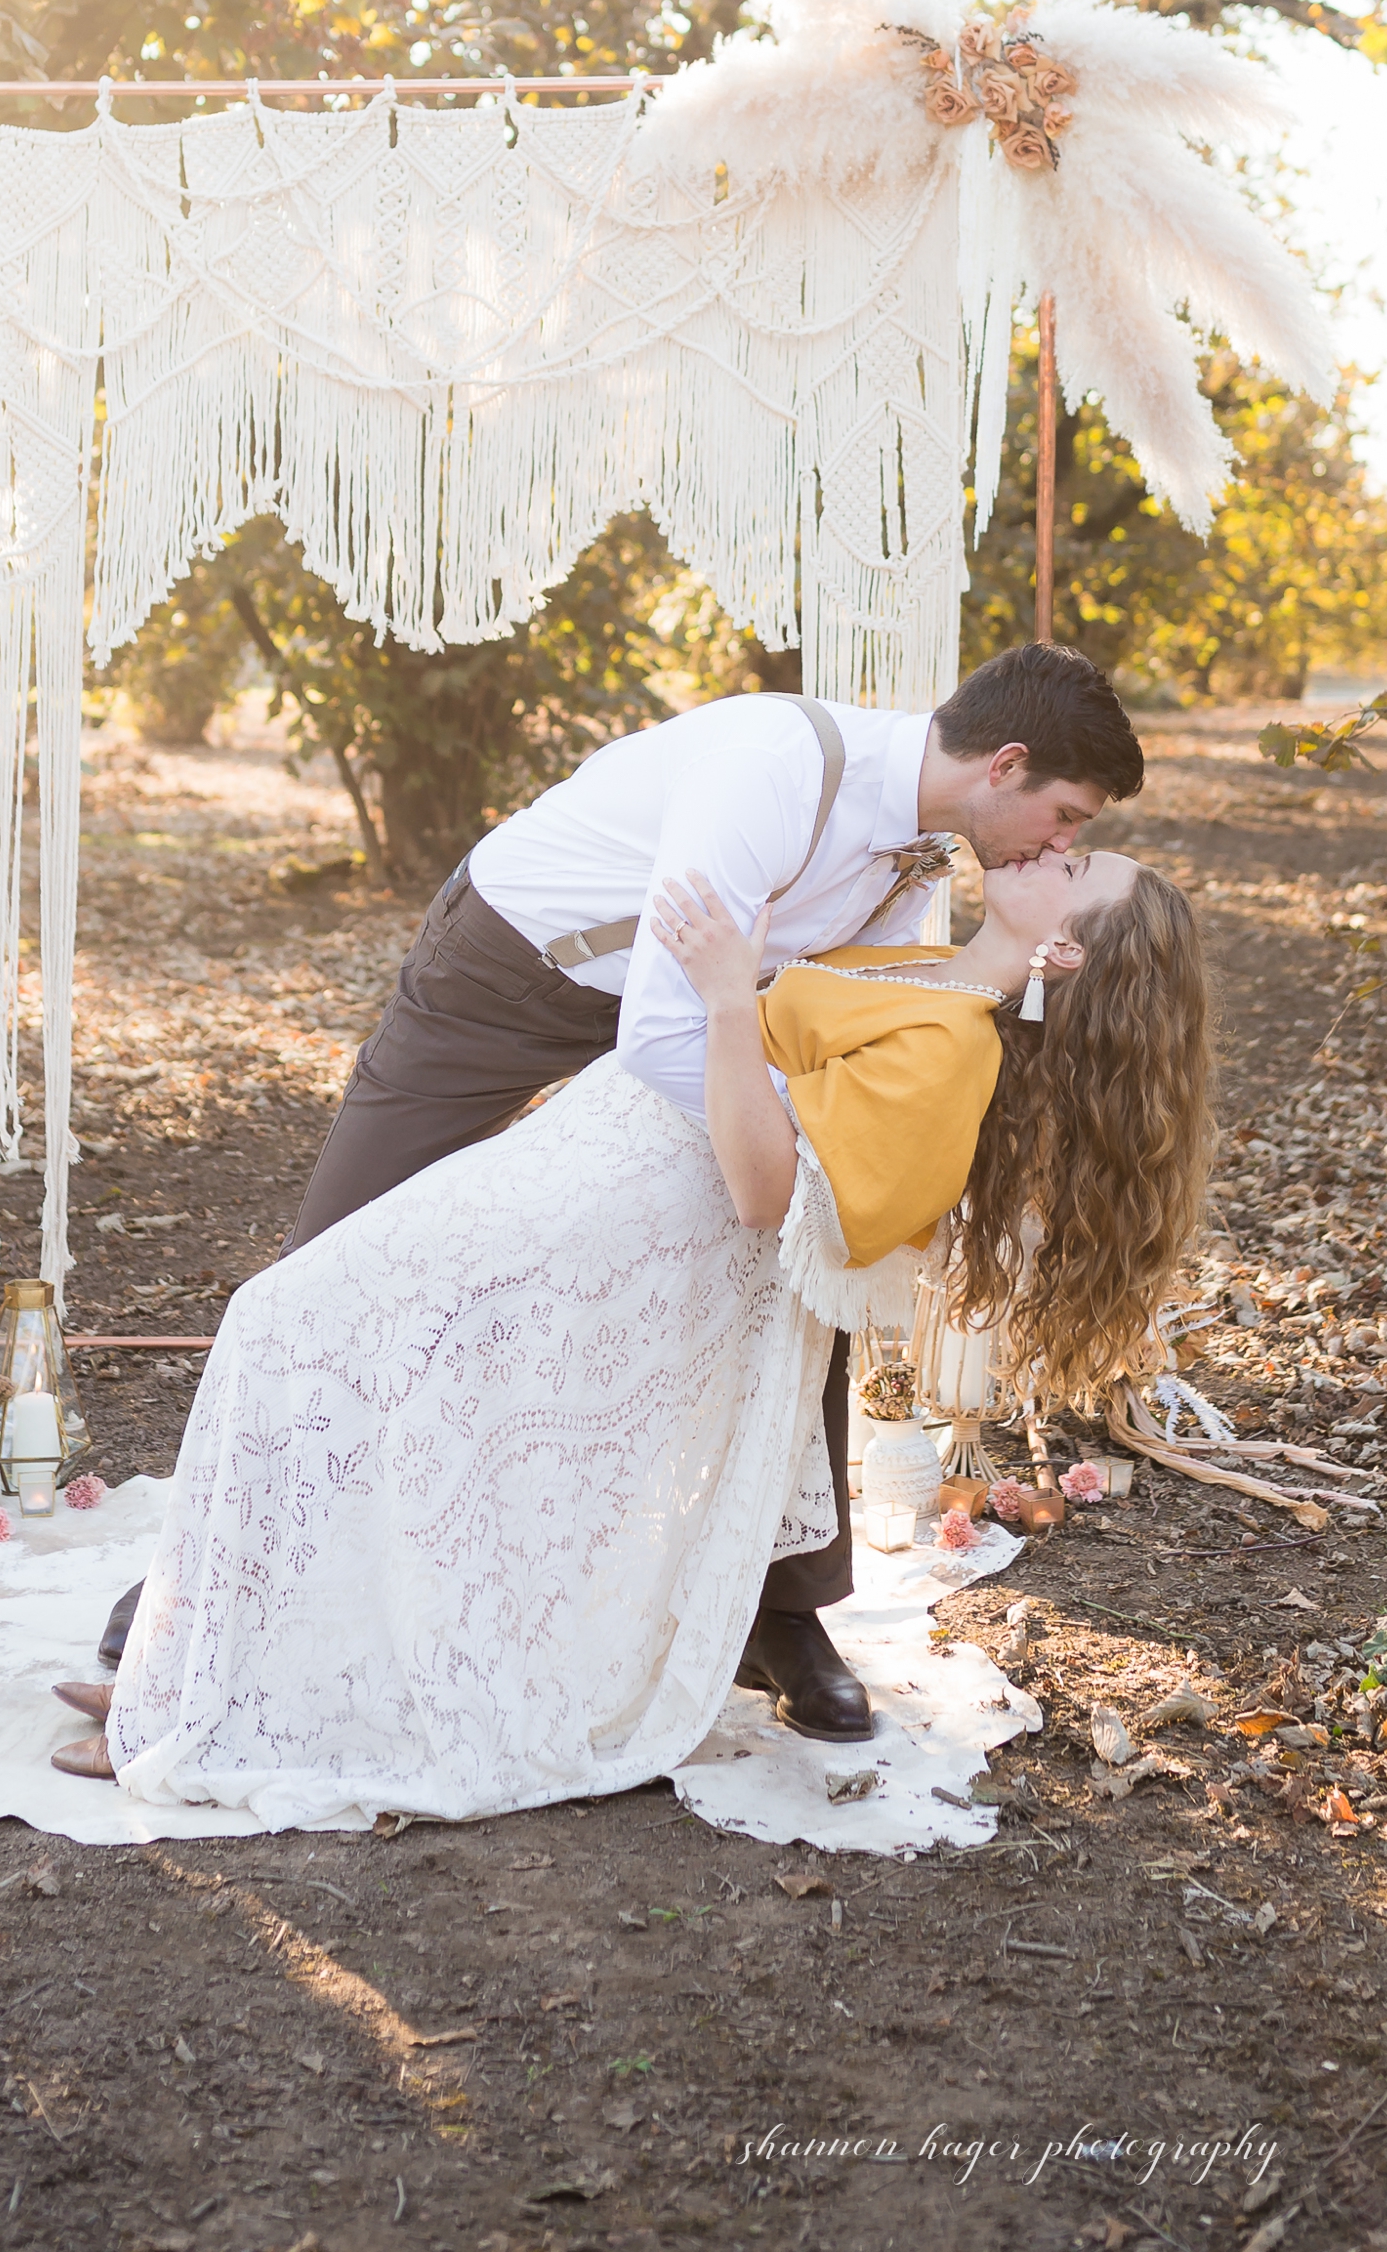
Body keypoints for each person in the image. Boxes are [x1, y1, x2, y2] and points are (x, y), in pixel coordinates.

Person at [89, 642, 1145, 1733]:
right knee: (332, 1266)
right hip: (511, 974)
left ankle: (774, 1605)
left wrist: (810, 1161)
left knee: (792, 1262)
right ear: (1004, 765)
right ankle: (204, 1573)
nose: (1065, 843)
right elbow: (657, 1035)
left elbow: (830, 1008)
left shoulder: (924, 847)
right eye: (1064, 814)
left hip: (703, 1010)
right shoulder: (774, 768)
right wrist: (781, 1140)